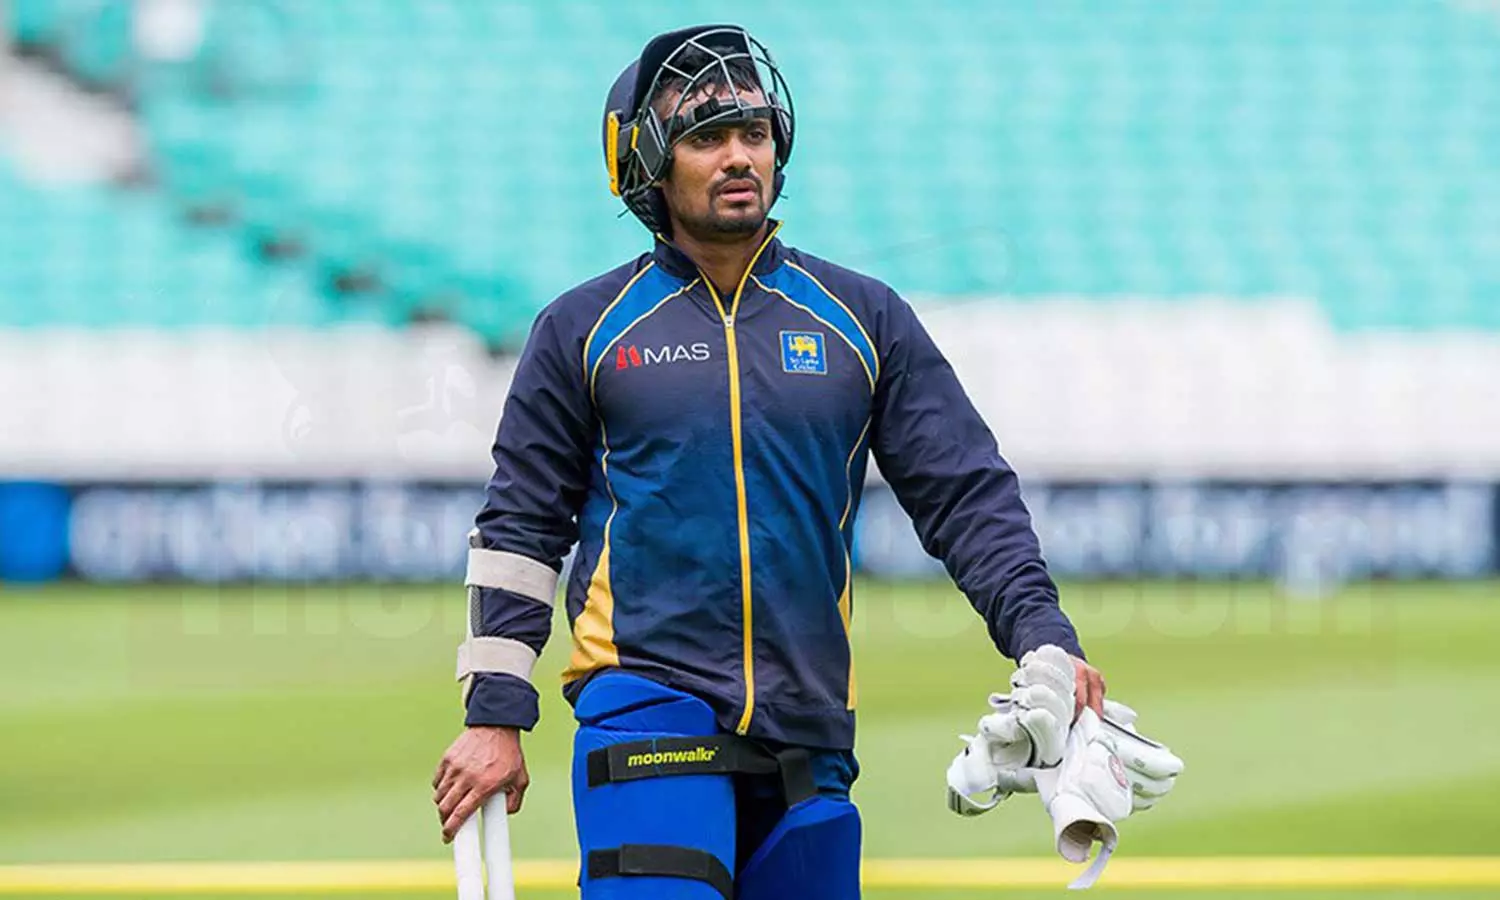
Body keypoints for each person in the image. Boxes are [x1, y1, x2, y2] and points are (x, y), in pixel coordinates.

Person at [432, 24, 1104, 898]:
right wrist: (494, 713)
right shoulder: (581, 328)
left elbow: (965, 495)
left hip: (811, 730)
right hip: (644, 708)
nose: (739, 156)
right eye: (707, 137)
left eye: (754, 133)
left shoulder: (865, 318)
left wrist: (1044, 638)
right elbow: (520, 528)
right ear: (648, 163)